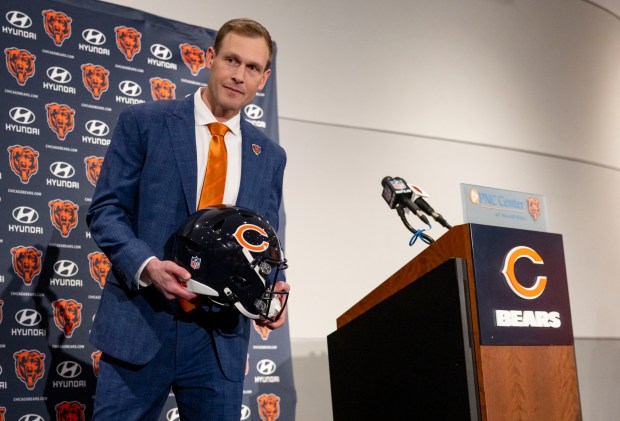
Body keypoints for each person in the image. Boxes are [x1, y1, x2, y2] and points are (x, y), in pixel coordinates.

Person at [86, 18, 289, 421]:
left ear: (263, 79)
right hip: (142, 321)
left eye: (252, 68)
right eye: (232, 59)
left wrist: (271, 289)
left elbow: (263, 239)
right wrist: (147, 267)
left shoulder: (270, 156)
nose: (238, 75)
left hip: (220, 340)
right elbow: (106, 211)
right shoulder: (144, 122)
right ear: (210, 58)